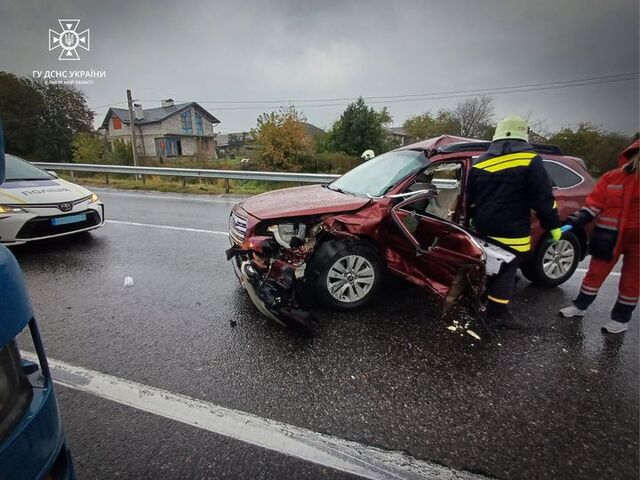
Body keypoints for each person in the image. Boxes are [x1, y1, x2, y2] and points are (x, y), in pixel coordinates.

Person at [468, 115, 561, 329]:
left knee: (491, 265)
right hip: (512, 231)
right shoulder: (530, 160)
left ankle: (485, 302)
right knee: (507, 269)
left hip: (483, 228)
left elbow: (470, 198)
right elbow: (543, 199)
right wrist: (553, 226)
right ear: (523, 135)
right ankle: (497, 314)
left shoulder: (481, 162)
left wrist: (472, 220)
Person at [559, 140, 639, 333]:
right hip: (609, 236)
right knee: (595, 274)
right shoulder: (613, 177)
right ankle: (580, 306)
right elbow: (595, 202)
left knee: (632, 281)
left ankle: (620, 319)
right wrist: (581, 217)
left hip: (637, 241)